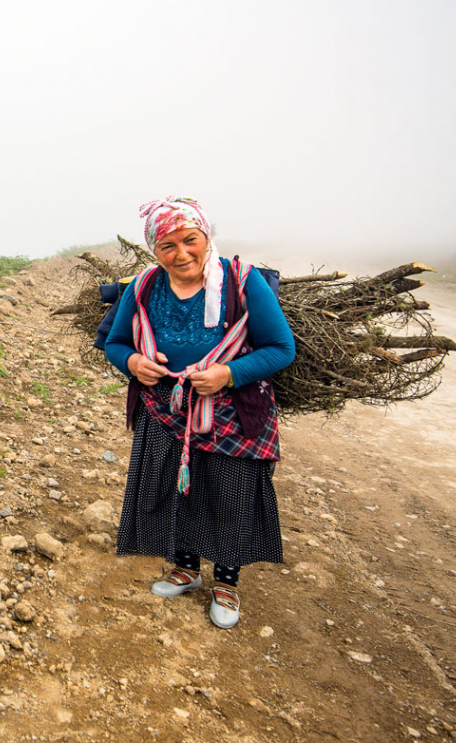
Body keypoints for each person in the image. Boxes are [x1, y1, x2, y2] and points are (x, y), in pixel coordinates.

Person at [100, 197, 295, 629]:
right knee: (174, 487)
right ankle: (185, 569)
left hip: (233, 410)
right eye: (168, 245)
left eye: (191, 240)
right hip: (165, 407)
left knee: (230, 495)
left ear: (207, 238)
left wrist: (228, 373)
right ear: (154, 250)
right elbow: (115, 343)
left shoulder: (242, 282)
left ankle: (227, 584)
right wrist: (133, 363)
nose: (181, 253)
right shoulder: (144, 286)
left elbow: (282, 349)